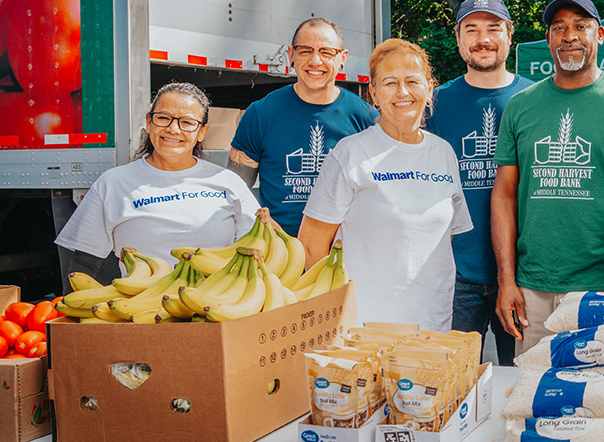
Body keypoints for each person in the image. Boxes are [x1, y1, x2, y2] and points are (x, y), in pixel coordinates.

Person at [493, 0, 604, 355]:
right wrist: (506, 280)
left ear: (599, 34)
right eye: (558, 28)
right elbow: (504, 195)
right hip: (532, 289)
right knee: (532, 395)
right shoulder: (520, 106)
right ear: (549, 40)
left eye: (580, 26)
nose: (569, 35)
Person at [298, 39, 472, 331]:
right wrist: (336, 315)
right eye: (390, 83)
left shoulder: (443, 153)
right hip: (364, 328)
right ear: (374, 94)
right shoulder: (350, 153)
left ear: (429, 89)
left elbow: (443, 238)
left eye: (412, 81)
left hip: (432, 322)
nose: (402, 92)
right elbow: (311, 245)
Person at [55, 82, 260, 281]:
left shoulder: (228, 182)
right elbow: (84, 265)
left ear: (202, 132)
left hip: (216, 307)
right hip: (140, 309)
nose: (173, 129)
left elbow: (256, 251)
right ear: (149, 122)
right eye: (163, 118)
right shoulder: (113, 183)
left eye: (187, 122)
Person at [425, 0, 534, 365]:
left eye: (493, 28)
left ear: (509, 35)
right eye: (471, 29)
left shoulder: (537, 98)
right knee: (449, 382)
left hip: (525, 274)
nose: (483, 39)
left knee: (520, 381)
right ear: (458, 39)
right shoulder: (433, 105)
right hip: (456, 274)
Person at [229, 17, 379, 237]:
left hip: (344, 253)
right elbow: (235, 193)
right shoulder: (260, 114)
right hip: (280, 253)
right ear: (291, 55)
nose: (315, 61)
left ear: (342, 58)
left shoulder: (366, 118)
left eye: (326, 52)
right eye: (305, 51)